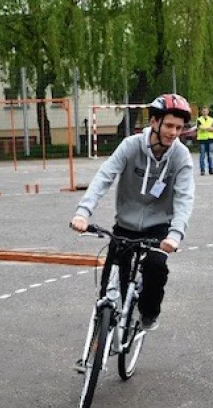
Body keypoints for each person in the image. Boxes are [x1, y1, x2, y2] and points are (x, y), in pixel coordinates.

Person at [70, 93, 195, 334]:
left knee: (156, 268)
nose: (174, 132)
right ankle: (95, 349)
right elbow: (104, 177)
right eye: (169, 125)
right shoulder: (131, 146)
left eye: (179, 128)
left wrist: (175, 235)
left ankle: (148, 313)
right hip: (125, 225)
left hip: (159, 229)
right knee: (108, 289)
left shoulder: (180, 156)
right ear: (154, 122)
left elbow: (184, 197)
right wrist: (83, 213)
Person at [195, 106, 213, 176]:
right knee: (202, 156)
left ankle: (211, 170)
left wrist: (205, 128)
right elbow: (200, 128)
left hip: (210, 139)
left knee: (210, 155)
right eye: (203, 111)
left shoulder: (211, 119)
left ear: (208, 112)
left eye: (206, 111)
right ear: (201, 112)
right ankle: (202, 170)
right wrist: (209, 128)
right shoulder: (199, 120)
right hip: (202, 140)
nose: (205, 112)